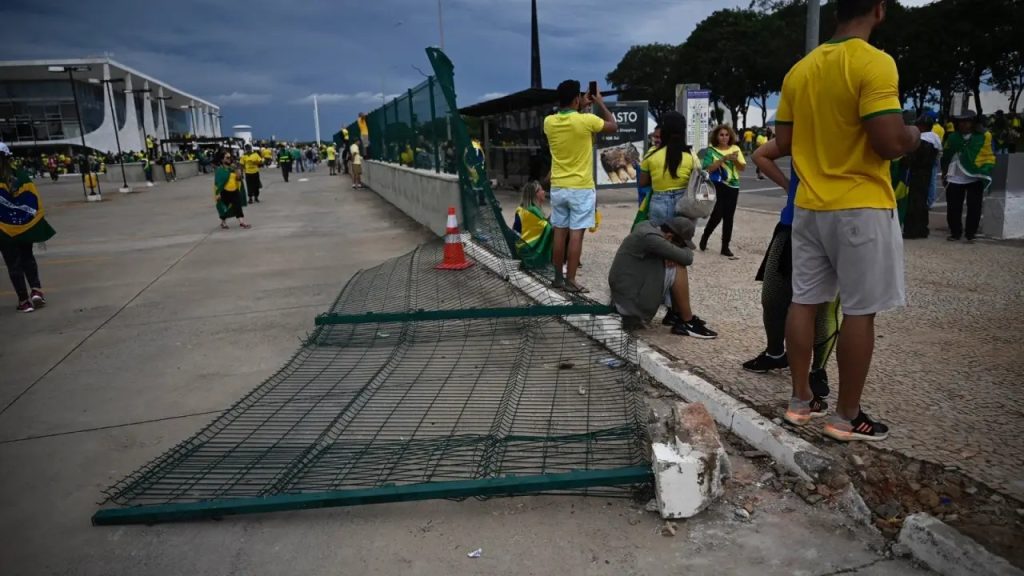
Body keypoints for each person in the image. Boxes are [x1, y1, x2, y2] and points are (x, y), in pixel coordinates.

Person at [774, 0, 920, 442]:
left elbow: (785, 141)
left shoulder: (799, 71)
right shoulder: (874, 62)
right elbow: (889, 142)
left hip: (809, 206)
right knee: (859, 309)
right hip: (861, 205)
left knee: (804, 301)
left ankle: (800, 401)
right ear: (879, 9)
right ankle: (846, 416)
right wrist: (914, 136)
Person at [744, 139, 839, 400]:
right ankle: (775, 352)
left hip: (834, 223)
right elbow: (760, 154)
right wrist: (789, 186)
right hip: (791, 222)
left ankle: (818, 370)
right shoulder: (802, 130)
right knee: (772, 297)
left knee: (825, 306)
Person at [543, 79, 618, 293]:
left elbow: (569, 120)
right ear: (577, 98)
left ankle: (558, 278)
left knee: (559, 233)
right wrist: (599, 102)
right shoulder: (587, 120)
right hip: (581, 188)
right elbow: (613, 125)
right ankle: (571, 280)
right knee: (576, 234)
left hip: (558, 186)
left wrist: (580, 106)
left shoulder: (548, 122)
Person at [608, 216, 717, 338]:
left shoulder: (646, 226)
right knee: (679, 266)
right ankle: (688, 321)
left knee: (674, 260)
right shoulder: (651, 238)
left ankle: (675, 315)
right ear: (669, 236)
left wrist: (670, 252)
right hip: (628, 304)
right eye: (679, 244)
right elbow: (687, 258)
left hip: (624, 294)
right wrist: (675, 252)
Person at [0, 143, 55, 313]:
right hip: (24, 226)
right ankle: (36, 291)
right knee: (27, 258)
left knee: (13, 265)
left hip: (4, 231)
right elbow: (33, 201)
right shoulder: (22, 176)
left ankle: (24, 301)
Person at [942, 111, 995, 243]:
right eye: (961, 121)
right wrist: (944, 172)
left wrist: (984, 170)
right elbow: (946, 155)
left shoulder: (983, 137)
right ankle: (955, 232)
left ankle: (971, 234)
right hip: (955, 176)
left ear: (973, 123)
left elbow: (988, 155)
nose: (963, 124)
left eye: (967, 121)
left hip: (975, 176)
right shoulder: (953, 137)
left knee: (974, 207)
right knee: (953, 207)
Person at [637, 112, 696, 226]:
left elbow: (642, 182)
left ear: (663, 133)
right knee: (681, 236)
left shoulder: (651, 155)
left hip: (659, 202)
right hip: (684, 204)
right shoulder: (691, 155)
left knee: (658, 236)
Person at [699, 124, 747, 258]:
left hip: (733, 186)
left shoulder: (735, 149)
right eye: (721, 135)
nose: (724, 137)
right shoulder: (711, 151)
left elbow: (742, 168)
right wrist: (723, 159)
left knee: (729, 217)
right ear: (716, 137)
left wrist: (735, 160)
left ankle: (725, 246)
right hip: (718, 185)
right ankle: (705, 236)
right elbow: (707, 169)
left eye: (726, 135)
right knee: (717, 215)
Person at [902, 116, 941, 239]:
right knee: (922, 202)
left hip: (917, 175)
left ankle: (912, 230)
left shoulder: (922, 141)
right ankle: (922, 229)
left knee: (914, 203)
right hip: (927, 174)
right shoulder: (934, 139)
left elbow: (914, 159)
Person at [513, 181, 553, 268]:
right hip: (529, 252)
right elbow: (548, 228)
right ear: (535, 194)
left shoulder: (522, 209)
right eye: (541, 190)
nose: (544, 192)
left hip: (521, 248)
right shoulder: (532, 210)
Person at [214, 152, 250, 230]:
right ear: (222, 159)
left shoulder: (233, 168)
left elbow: (239, 178)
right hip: (224, 192)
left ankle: (242, 222)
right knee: (224, 208)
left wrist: (237, 169)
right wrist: (218, 193)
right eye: (227, 157)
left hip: (235, 190)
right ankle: (223, 222)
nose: (229, 159)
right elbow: (218, 183)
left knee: (238, 206)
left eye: (230, 157)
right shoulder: (220, 170)